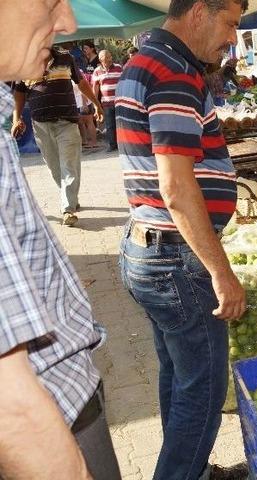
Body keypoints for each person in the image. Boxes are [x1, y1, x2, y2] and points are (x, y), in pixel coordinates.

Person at [115, 0, 249, 479]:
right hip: (176, 258)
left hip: (149, 247)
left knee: (180, 376)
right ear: (199, 12)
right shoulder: (174, 71)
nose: (233, 37)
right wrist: (221, 272)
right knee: (203, 392)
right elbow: (175, 187)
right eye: (230, 23)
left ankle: (190, 468)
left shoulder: (146, 59)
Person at [0, 1, 122, 479]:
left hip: (62, 402)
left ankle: (70, 198)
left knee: (68, 166)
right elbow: (13, 410)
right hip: (50, 420)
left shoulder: (60, 65)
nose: (68, 21)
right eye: (51, 0)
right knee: (58, 166)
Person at [11, 46, 104, 227]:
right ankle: (70, 197)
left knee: (69, 165)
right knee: (55, 168)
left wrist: (97, 104)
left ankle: (67, 209)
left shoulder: (65, 58)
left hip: (67, 122)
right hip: (41, 126)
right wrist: (16, 119)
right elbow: (19, 94)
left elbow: (81, 83)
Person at [91, 50, 123, 151]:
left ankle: (122, 144)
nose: (109, 60)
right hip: (106, 102)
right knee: (110, 125)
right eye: (106, 59)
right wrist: (95, 104)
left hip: (119, 101)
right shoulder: (97, 71)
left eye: (109, 57)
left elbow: (123, 82)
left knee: (120, 124)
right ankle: (112, 145)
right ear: (101, 60)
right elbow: (95, 88)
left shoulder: (118, 67)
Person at [74, 69, 99, 149]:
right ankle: (85, 141)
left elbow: (83, 89)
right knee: (81, 122)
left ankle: (94, 142)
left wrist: (84, 103)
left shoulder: (77, 73)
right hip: (78, 102)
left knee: (89, 122)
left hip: (83, 102)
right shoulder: (74, 72)